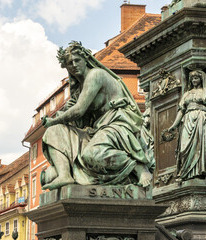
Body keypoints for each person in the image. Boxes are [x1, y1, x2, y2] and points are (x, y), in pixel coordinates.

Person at [40, 41, 154, 190]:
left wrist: (54, 120)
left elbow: (78, 110)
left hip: (117, 125)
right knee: (53, 132)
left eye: (77, 60)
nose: (74, 65)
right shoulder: (79, 88)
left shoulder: (96, 75)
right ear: (66, 67)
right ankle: (64, 174)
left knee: (91, 155)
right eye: (69, 63)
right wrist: (55, 122)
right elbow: (71, 109)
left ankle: (138, 167)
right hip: (98, 129)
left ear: (86, 60)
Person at [167, 70, 206, 181]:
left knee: (199, 145)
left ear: (201, 79)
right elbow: (181, 110)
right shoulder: (187, 94)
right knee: (184, 147)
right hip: (187, 120)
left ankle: (198, 172)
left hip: (201, 120)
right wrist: (174, 125)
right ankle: (185, 172)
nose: (194, 80)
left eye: (196, 78)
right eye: (192, 79)